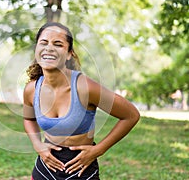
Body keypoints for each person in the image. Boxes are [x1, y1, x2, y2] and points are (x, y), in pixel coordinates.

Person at [23, 22, 140, 180]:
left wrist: (98, 150)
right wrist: (38, 145)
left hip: (80, 170)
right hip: (46, 168)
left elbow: (131, 115)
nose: (49, 48)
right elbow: (28, 119)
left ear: (69, 53)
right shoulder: (32, 89)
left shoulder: (85, 88)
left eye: (58, 44)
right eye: (43, 42)